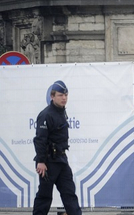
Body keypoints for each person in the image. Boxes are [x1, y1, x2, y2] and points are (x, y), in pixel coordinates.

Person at [32, 80, 83, 215]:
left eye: (66, 95)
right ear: (52, 96)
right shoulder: (46, 114)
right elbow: (40, 140)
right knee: (44, 196)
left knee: (69, 193)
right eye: (60, 95)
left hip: (61, 160)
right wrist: (41, 161)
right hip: (48, 162)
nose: (64, 98)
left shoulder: (61, 112)